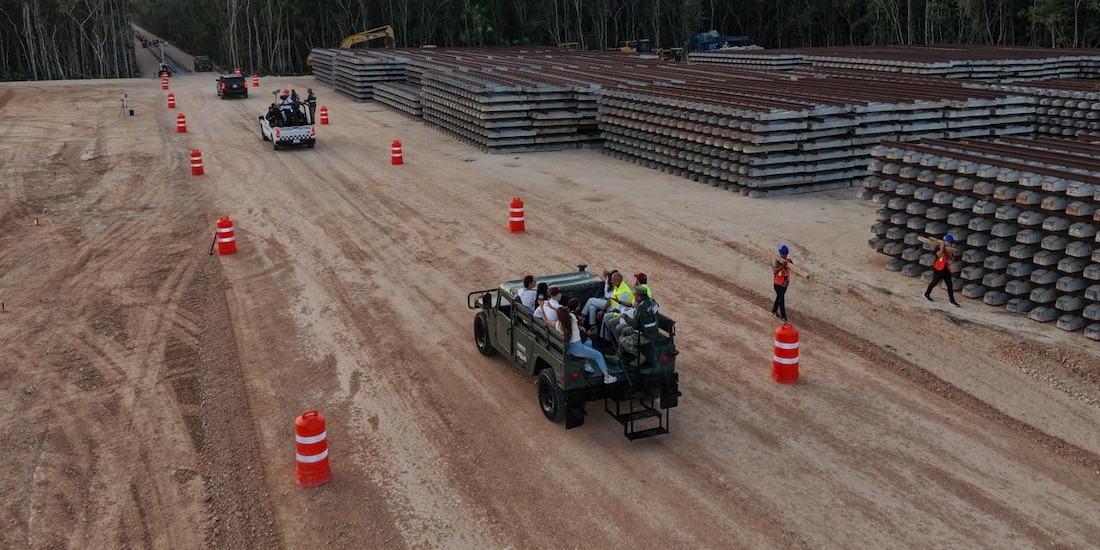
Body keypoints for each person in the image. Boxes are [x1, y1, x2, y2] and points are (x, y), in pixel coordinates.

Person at [554, 306, 616, 384]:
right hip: (577, 347)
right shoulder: (572, 317)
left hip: (572, 347)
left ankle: (586, 364)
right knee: (598, 355)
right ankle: (607, 377)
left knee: (588, 343)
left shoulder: (558, 324)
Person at [615, 288, 660, 357]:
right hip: (652, 331)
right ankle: (619, 355)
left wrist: (625, 316)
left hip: (646, 335)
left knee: (624, 342)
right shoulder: (651, 301)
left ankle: (640, 357)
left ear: (639, 296)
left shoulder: (641, 308)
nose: (634, 297)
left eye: (635, 295)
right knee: (624, 330)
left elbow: (635, 324)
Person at [925, 234, 960, 306]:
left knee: (949, 284)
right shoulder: (938, 247)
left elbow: (953, 259)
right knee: (934, 282)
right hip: (938, 267)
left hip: (945, 268)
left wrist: (949, 252)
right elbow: (939, 255)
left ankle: (952, 300)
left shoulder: (949, 249)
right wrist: (942, 247)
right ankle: (926, 294)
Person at [771, 245, 791, 323]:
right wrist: (783, 265)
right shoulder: (775, 261)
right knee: (781, 300)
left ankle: (774, 311)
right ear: (780, 253)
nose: (784, 256)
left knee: (779, 298)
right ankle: (784, 317)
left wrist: (789, 263)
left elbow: (791, 266)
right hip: (777, 284)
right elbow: (774, 271)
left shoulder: (788, 260)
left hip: (785, 284)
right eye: (783, 254)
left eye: (785, 254)